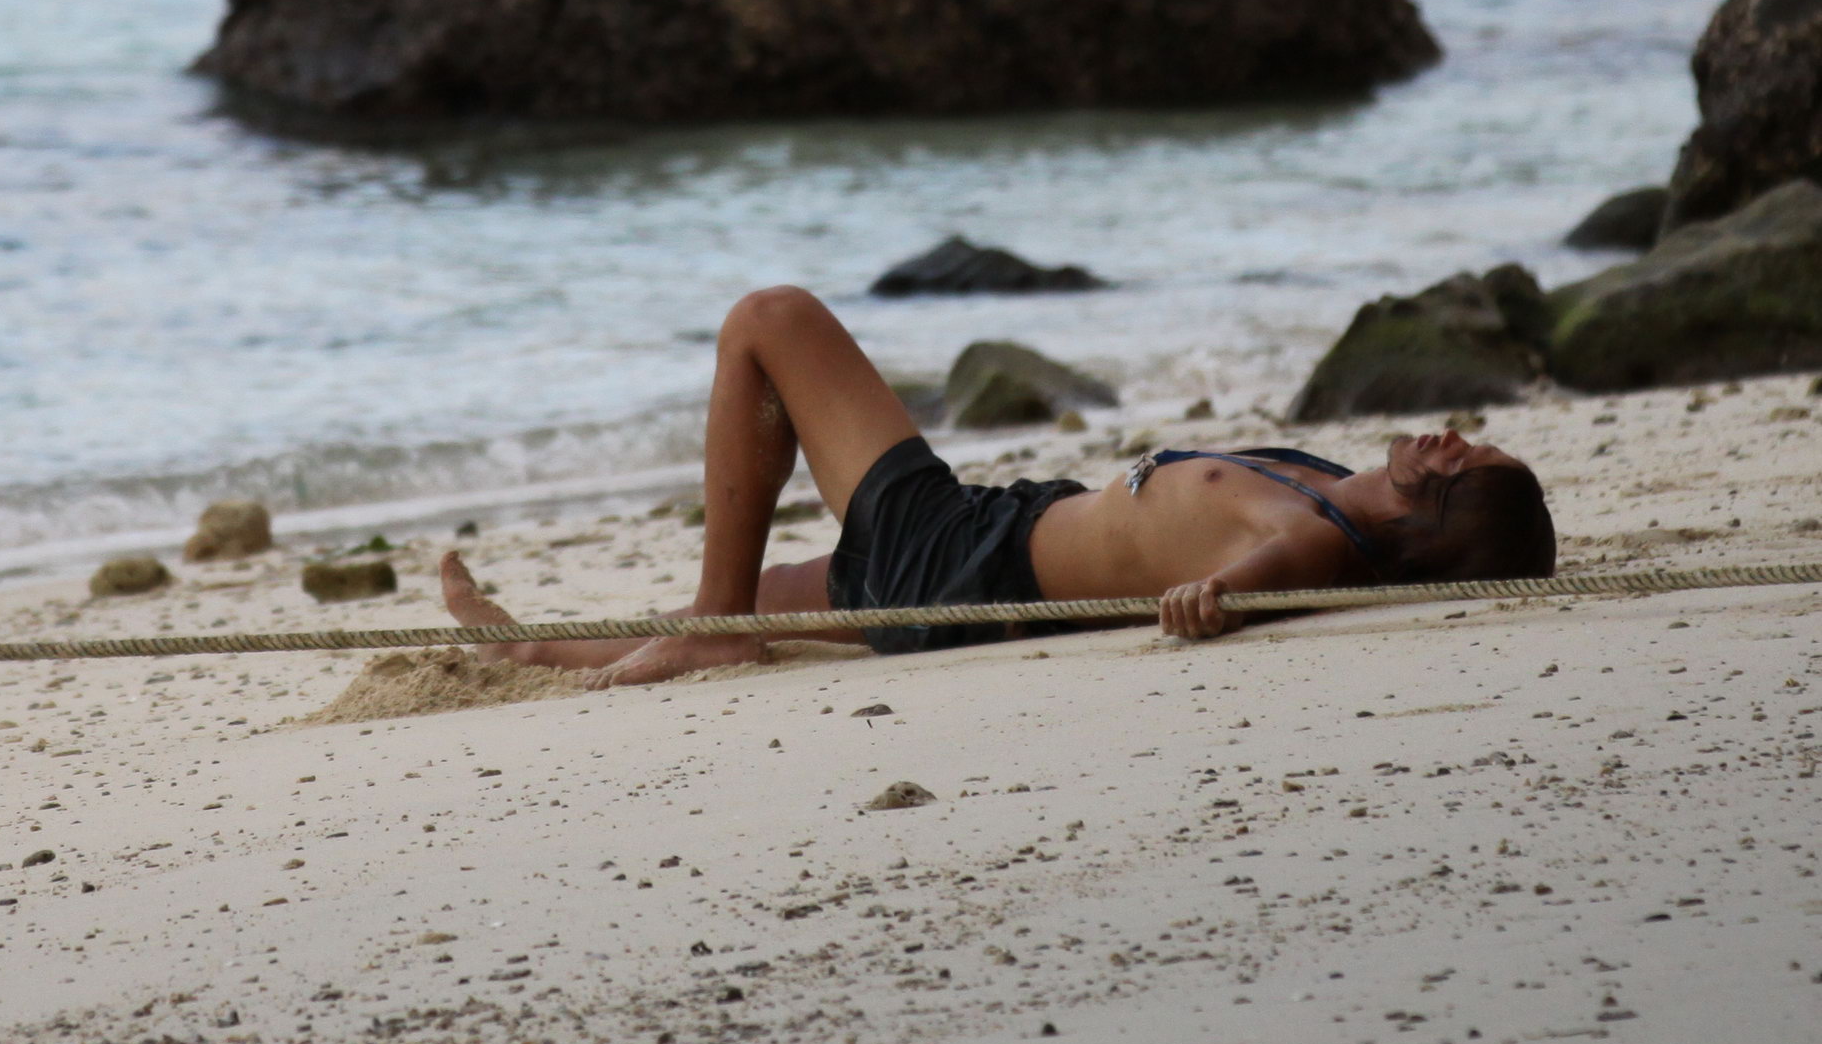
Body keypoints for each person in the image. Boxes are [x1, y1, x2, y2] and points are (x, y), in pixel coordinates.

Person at [441, 284, 1555, 687]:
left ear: (1444, 518)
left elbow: (1261, 574)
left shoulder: (1309, 536)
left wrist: (1211, 601)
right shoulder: (1327, 488)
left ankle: (716, 633)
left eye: (1469, 460)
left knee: (768, 322)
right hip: (987, 544)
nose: (1453, 437)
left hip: (964, 556)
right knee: (741, 593)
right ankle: (533, 646)